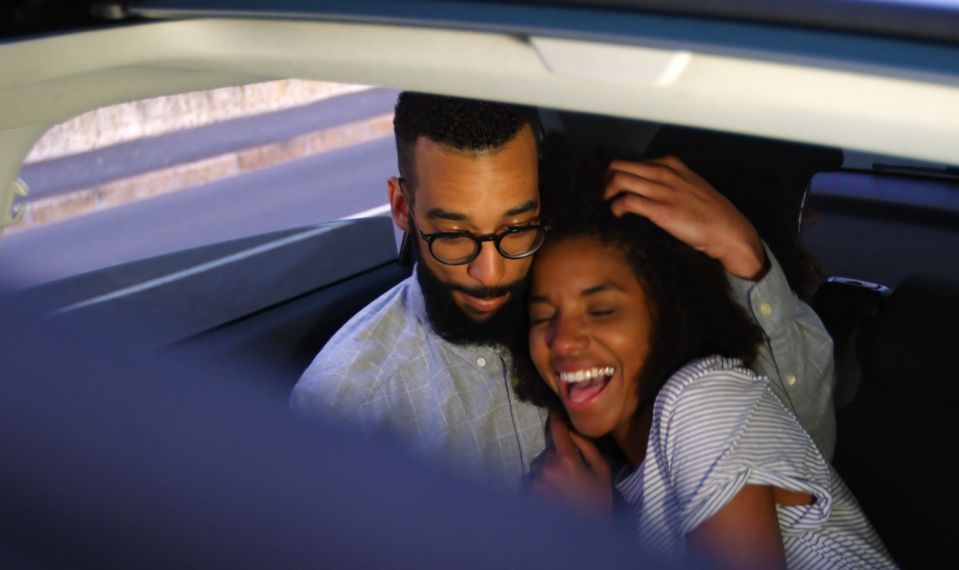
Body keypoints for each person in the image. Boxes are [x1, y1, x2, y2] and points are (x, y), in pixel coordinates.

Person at [290, 92, 836, 486]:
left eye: (516, 228)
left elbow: (802, 454)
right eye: (455, 236)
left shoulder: (614, 320)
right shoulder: (344, 406)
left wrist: (743, 252)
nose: (491, 273)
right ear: (402, 207)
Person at [515, 155, 893, 568]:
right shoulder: (630, 479)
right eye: (543, 317)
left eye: (602, 310)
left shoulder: (702, 399)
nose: (563, 341)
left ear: (666, 316)